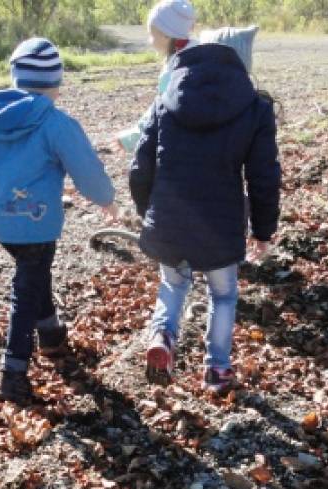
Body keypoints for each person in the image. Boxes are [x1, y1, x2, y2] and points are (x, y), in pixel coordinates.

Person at [0, 37, 119, 405]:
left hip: (3, 225)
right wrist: (107, 200)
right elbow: (87, 169)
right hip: (38, 224)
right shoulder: (56, 123)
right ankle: (13, 372)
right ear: (55, 84)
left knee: (34, 274)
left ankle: (50, 335)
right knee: (25, 290)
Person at [129, 40, 281, 393]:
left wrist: (147, 212)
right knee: (223, 296)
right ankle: (217, 370)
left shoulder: (164, 104)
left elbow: (139, 169)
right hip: (220, 225)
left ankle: (164, 335)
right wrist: (263, 230)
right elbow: (264, 176)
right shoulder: (255, 109)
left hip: (169, 219)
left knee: (173, 284)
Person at [116, 0, 198, 155]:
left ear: (167, 35)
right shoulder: (201, 51)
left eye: (151, 35)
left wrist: (132, 137)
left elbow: (158, 111)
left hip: (180, 149)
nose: (149, 41)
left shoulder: (173, 69)